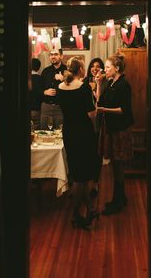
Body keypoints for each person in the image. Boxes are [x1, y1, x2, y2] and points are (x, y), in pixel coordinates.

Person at [58, 56, 100, 229]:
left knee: (77, 172)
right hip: (83, 132)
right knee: (81, 177)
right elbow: (92, 114)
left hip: (68, 131)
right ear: (80, 70)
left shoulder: (60, 87)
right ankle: (76, 214)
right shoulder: (83, 88)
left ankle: (89, 209)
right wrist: (96, 104)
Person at [96, 53, 134, 215]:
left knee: (118, 165)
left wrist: (105, 110)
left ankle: (117, 201)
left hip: (120, 129)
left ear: (116, 68)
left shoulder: (123, 85)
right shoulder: (110, 83)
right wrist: (98, 83)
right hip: (111, 128)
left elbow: (123, 110)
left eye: (107, 67)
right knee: (114, 165)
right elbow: (99, 102)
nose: (105, 70)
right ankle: (121, 197)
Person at [83, 57, 107, 198]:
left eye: (98, 66)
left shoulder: (104, 82)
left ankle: (96, 183)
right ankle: (86, 180)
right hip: (85, 120)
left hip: (98, 120)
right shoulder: (85, 82)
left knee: (97, 152)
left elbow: (100, 100)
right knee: (88, 150)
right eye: (93, 66)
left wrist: (97, 86)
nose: (95, 68)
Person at [40, 48, 67, 130]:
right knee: (44, 134)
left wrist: (63, 79)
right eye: (51, 54)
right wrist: (44, 92)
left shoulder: (67, 70)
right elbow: (38, 89)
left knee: (61, 134)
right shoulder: (45, 71)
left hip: (61, 108)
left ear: (61, 56)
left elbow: (73, 89)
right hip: (46, 107)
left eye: (55, 54)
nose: (53, 57)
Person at [30, 58, 43, 130]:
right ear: (38, 68)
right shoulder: (41, 78)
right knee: (37, 131)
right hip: (38, 109)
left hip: (26, 109)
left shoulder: (24, 78)